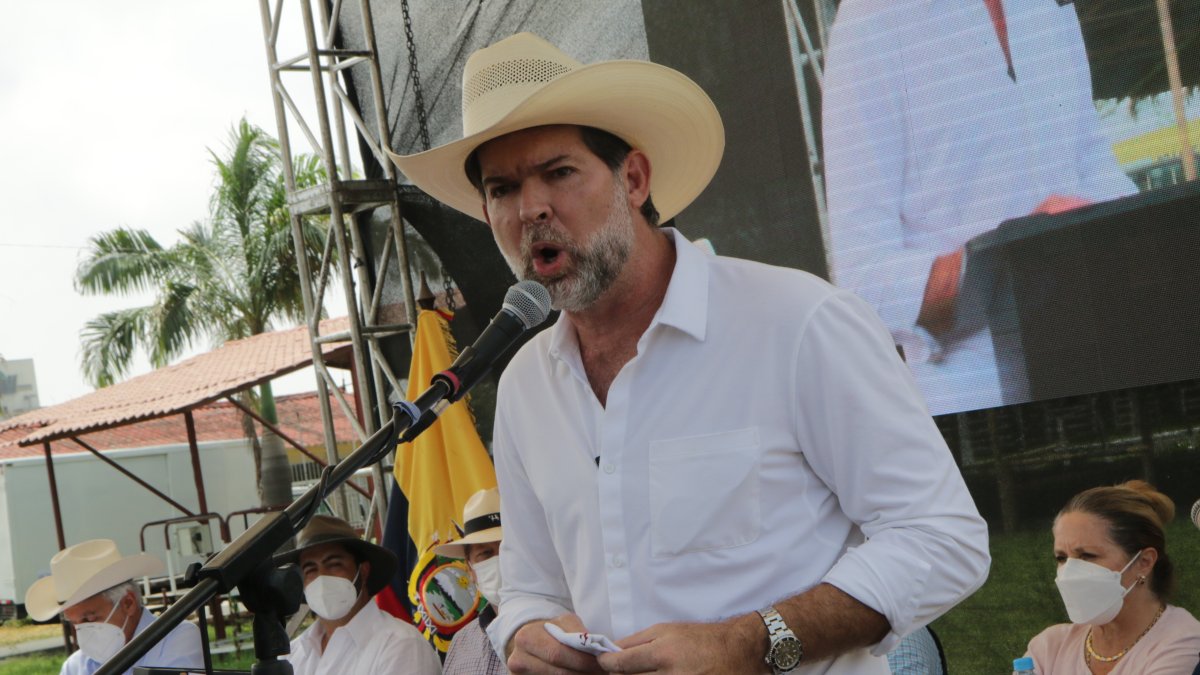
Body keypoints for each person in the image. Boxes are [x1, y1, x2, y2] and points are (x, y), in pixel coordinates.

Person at [388, 32, 990, 674]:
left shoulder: (798, 321)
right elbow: (532, 587)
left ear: (634, 179)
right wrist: (528, 632)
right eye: (502, 189)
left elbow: (942, 537)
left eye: (559, 173)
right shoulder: (526, 386)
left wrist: (753, 643)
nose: (531, 208)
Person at [822, 0, 1138, 415]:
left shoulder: (1050, 6)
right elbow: (862, 280)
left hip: (1103, 360)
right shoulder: (871, 19)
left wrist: (1133, 225)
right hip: (979, 401)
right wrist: (1014, 254)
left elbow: (1091, 159)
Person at [1024, 480, 1200, 673]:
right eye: (1061, 558)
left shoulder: (1182, 642)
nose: (1069, 572)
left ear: (1144, 562)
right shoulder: (1049, 647)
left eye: (1087, 555)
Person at [274, 515, 442, 675]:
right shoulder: (293, 654)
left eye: (334, 564)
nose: (322, 577)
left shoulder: (401, 645)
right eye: (310, 569)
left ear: (363, 571)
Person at [24, 539, 202, 675]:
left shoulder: (176, 638)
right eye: (75, 623)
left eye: (89, 618)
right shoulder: (74, 666)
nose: (82, 631)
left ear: (128, 603)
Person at [434, 487, 508, 675]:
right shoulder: (461, 645)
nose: (499, 560)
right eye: (486, 553)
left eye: (506, 548)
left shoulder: (560, 628)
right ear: (470, 569)